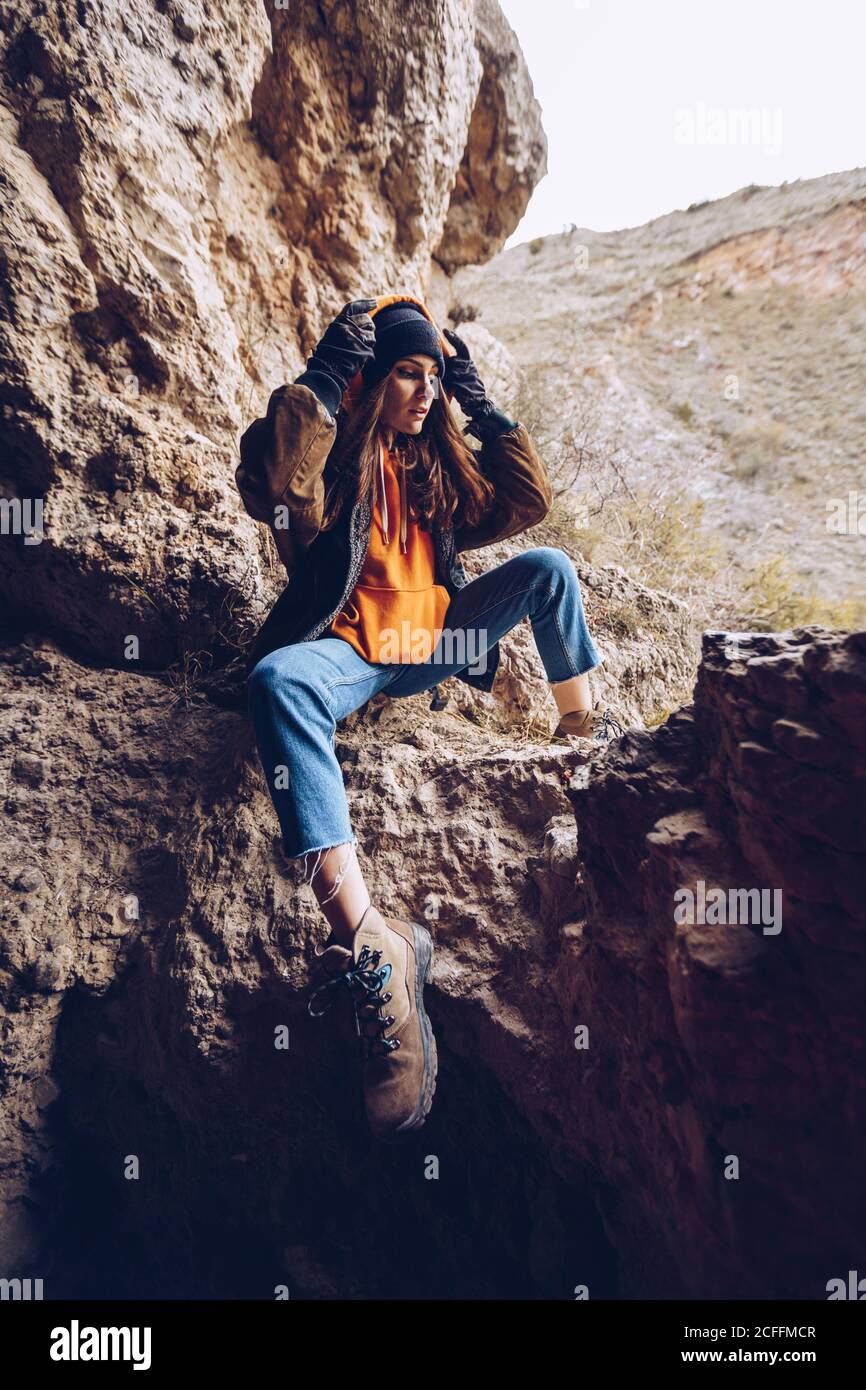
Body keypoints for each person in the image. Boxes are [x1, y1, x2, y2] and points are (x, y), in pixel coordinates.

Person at [236, 293, 620, 1141]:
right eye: (407, 372)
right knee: (277, 683)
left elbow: (527, 502)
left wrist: (475, 401)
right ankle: (375, 941)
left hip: (434, 643)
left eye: (433, 377)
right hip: (348, 652)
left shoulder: (435, 468)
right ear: (376, 379)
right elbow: (273, 477)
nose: (423, 390)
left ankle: (582, 740)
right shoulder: (333, 468)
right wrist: (332, 373)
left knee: (549, 568)